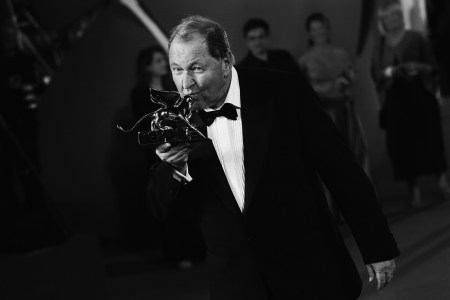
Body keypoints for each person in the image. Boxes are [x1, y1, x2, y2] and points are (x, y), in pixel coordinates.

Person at [148, 15, 398, 299]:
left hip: (308, 272)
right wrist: (174, 170)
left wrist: (377, 246)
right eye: (176, 69)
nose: (185, 83)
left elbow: (342, 171)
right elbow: (161, 211)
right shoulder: (173, 120)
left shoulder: (285, 92)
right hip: (238, 284)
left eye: (196, 68)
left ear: (226, 62)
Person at [371, 0, 450, 207]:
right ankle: (412, 187)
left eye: (395, 16)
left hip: (419, 94)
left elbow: (432, 67)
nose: (392, 21)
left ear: (401, 17)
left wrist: (417, 66)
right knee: (401, 144)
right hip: (395, 99)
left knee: (430, 137)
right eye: (387, 18)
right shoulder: (380, 45)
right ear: (382, 21)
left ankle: (442, 180)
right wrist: (389, 73)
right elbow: (376, 73)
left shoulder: (416, 38)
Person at [130, 46, 204, 268]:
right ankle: (177, 253)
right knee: (168, 201)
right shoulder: (140, 93)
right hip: (160, 155)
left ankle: (195, 251)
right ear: (148, 66)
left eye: (164, 59)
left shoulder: (174, 88)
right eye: (158, 60)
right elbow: (144, 127)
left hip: (182, 151)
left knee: (187, 200)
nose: (164, 63)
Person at [238, 18, 302, 74]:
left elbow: (301, 80)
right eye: (252, 39)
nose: (257, 42)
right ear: (247, 42)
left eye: (261, 37)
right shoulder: (242, 69)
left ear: (267, 37)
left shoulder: (284, 57)